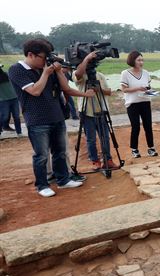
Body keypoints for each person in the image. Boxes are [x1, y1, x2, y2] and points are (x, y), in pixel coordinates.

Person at [8, 39, 94, 197]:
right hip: (37, 119)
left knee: (60, 151)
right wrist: (47, 73)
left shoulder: (46, 68)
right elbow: (35, 91)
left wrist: (59, 71)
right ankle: (42, 185)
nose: (45, 61)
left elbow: (66, 88)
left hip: (57, 116)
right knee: (41, 155)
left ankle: (63, 180)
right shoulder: (16, 70)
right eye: (43, 57)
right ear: (31, 55)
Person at [73, 51, 118, 170]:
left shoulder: (100, 76)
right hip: (86, 112)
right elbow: (78, 74)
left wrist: (99, 90)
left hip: (101, 111)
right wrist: (86, 58)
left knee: (105, 138)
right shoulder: (81, 75)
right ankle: (95, 161)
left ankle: (108, 160)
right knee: (91, 139)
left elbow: (109, 91)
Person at [120, 51, 157, 158]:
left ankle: (151, 148)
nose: (141, 62)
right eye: (138, 60)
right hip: (132, 104)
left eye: (142, 60)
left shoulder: (145, 73)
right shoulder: (125, 73)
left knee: (148, 126)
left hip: (145, 102)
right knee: (135, 126)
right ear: (132, 61)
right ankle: (134, 149)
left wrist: (150, 91)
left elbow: (148, 87)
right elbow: (124, 89)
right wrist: (138, 88)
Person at [0, 65, 22, 136]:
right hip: (3, 100)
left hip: (14, 98)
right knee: (4, 116)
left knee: (16, 116)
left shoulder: (7, 74)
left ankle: (19, 132)